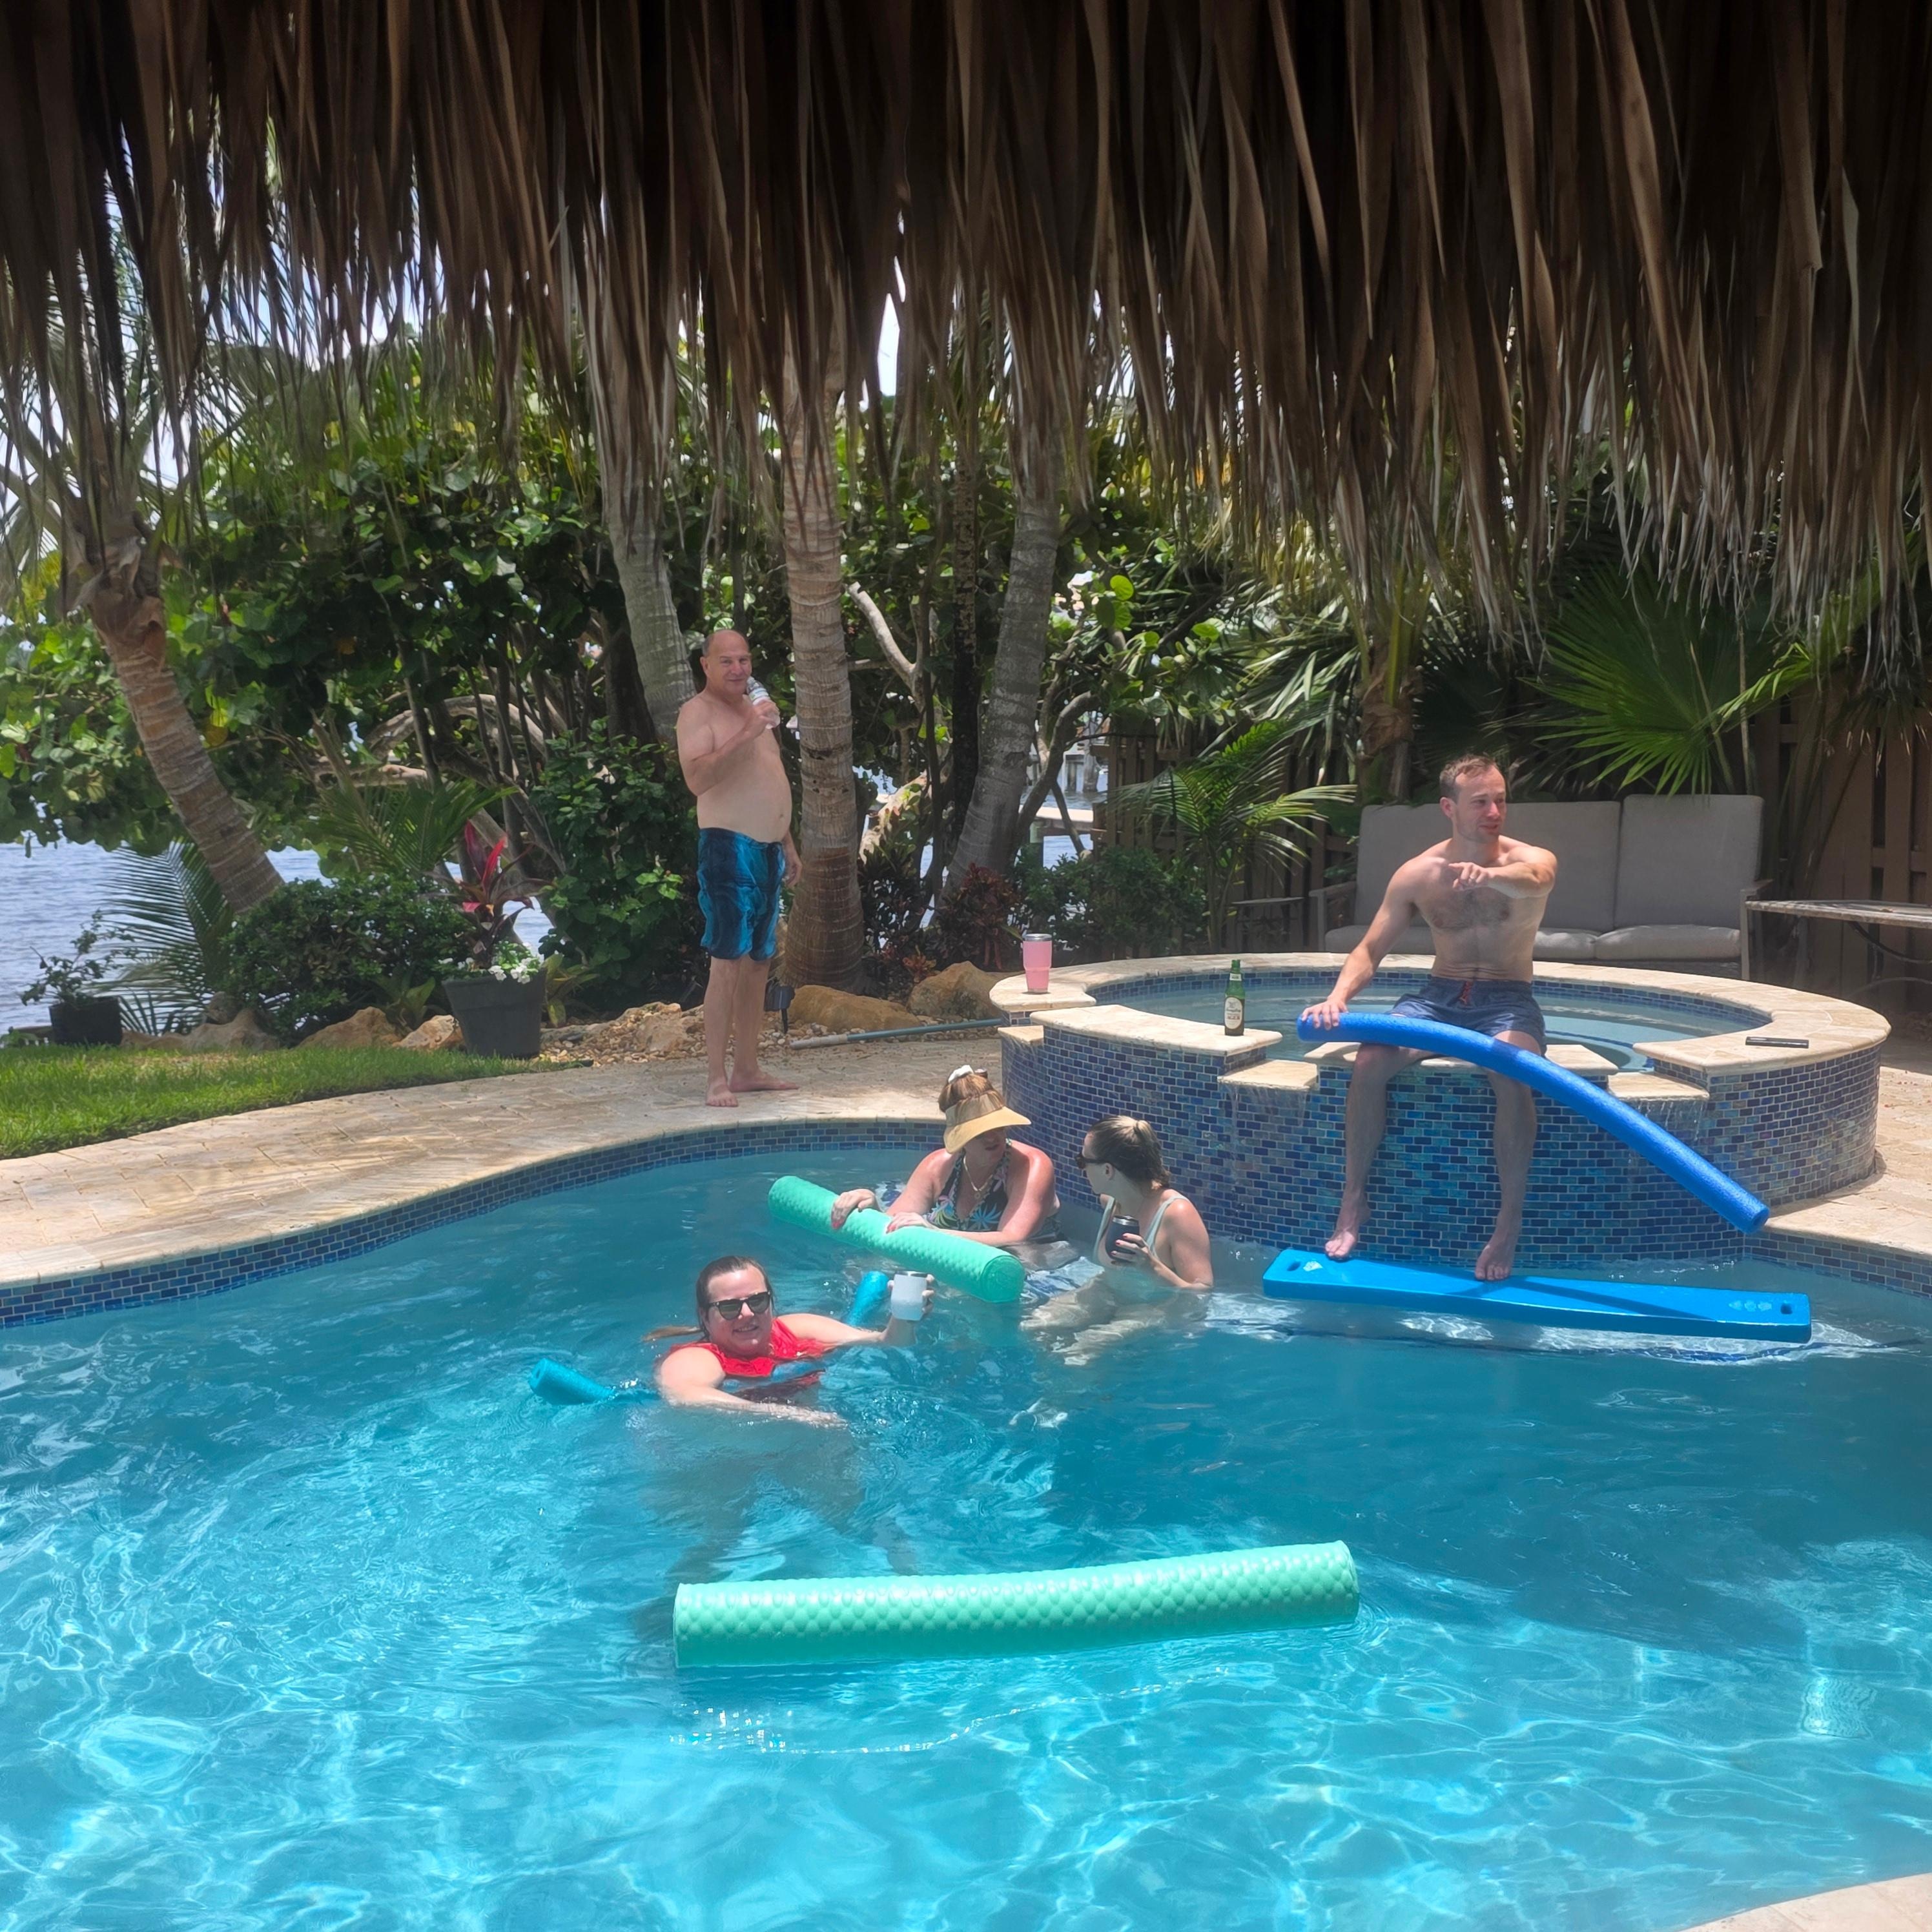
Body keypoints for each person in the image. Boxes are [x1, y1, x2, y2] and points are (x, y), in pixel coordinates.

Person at [1301, 752, 1557, 1281]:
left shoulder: (1530, 860)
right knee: (1370, 1060)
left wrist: (1491, 876)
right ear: (1449, 808)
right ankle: (1353, 1200)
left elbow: (1534, 879)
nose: (1494, 812)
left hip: (1507, 999)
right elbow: (1369, 950)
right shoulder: (1418, 874)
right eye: (1480, 802)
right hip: (1439, 998)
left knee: (1513, 1070)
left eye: (1500, 800)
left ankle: (1508, 1222)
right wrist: (1337, 997)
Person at [675, 628, 801, 1107]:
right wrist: (748, 732)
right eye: (726, 661)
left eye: (744, 660)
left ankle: (747, 1068)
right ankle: (716, 1078)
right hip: (728, 844)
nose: (737, 669)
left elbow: (769, 778)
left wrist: (787, 840)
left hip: (769, 847)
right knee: (727, 960)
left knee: (759, 961)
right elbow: (697, 778)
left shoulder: (756, 711)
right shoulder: (698, 713)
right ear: (706, 665)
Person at [653, 1255, 931, 1425]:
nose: (747, 1314)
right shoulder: (697, 1357)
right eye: (729, 1307)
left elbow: (888, 1341)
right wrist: (793, 1415)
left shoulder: (796, 1329)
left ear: (772, 1302)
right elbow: (684, 1394)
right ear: (705, 1317)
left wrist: (903, 1319)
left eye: (757, 1301)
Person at [827, 1067, 1058, 1248]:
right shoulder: (937, 1167)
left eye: (998, 1127)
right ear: (961, 1138)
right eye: (980, 1133)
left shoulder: (1031, 1166)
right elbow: (894, 1226)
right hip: (956, 1263)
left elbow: (1014, 1238)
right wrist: (872, 1208)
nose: (992, 1137)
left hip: (1033, 1262)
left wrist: (935, 1233)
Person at [1080, 1116, 1213, 1288]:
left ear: (1107, 1170)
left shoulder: (1177, 1214)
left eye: (1083, 1161)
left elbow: (1202, 1292)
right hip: (1107, 1293)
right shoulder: (1110, 1202)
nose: (1082, 1168)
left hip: (1156, 1304)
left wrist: (1153, 1267)